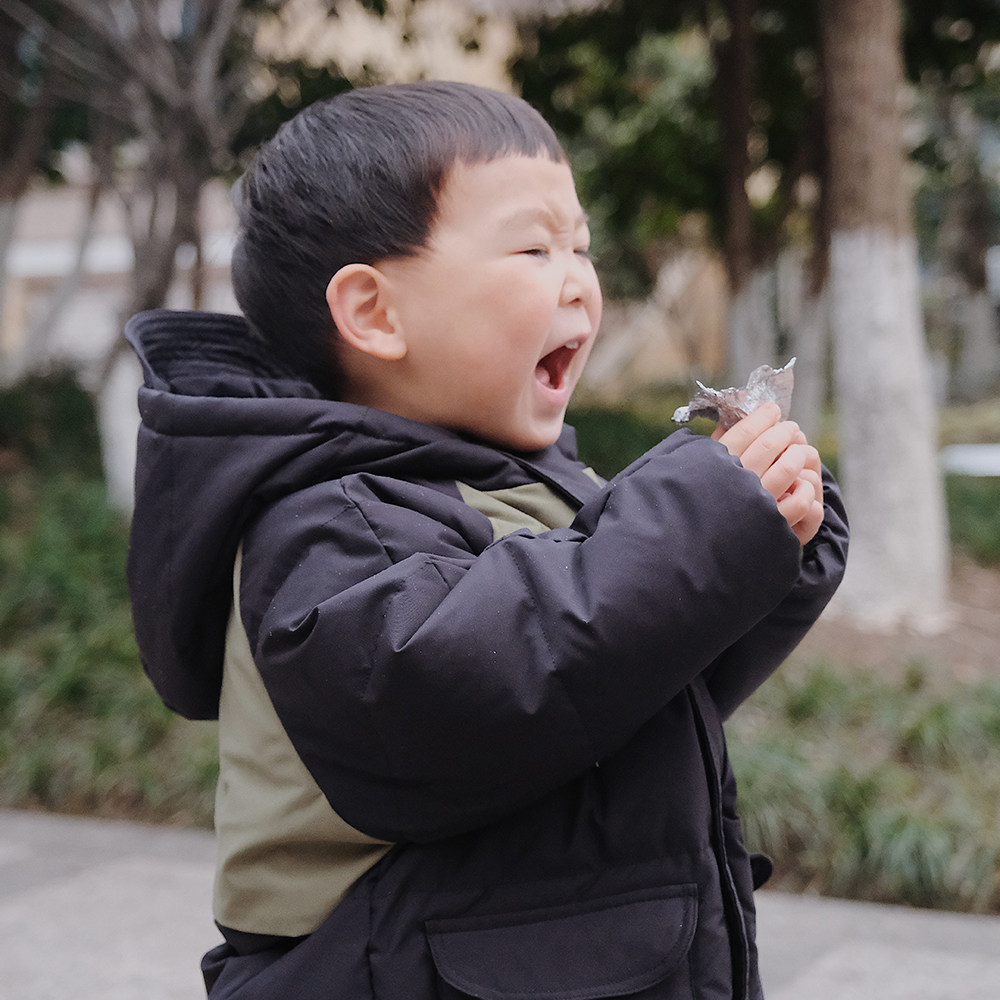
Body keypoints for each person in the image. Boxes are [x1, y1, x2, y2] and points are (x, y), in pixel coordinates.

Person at [125, 80, 848, 1000]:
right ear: (376, 313)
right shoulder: (325, 518)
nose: (580, 277)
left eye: (580, 246)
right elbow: (466, 687)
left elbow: (629, 686)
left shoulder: (525, 480)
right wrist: (698, 529)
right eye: (534, 247)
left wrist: (766, 547)